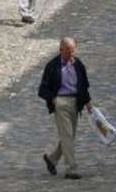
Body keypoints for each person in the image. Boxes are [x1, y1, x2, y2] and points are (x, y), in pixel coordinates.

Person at [37, 39, 90, 180]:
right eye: (68, 51)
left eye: (73, 50)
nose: (71, 53)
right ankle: (71, 168)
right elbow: (42, 90)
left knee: (69, 136)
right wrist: (53, 100)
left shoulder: (78, 65)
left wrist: (88, 103)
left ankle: (52, 159)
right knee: (67, 135)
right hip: (60, 102)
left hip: (75, 102)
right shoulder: (52, 66)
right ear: (61, 50)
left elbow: (84, 86)